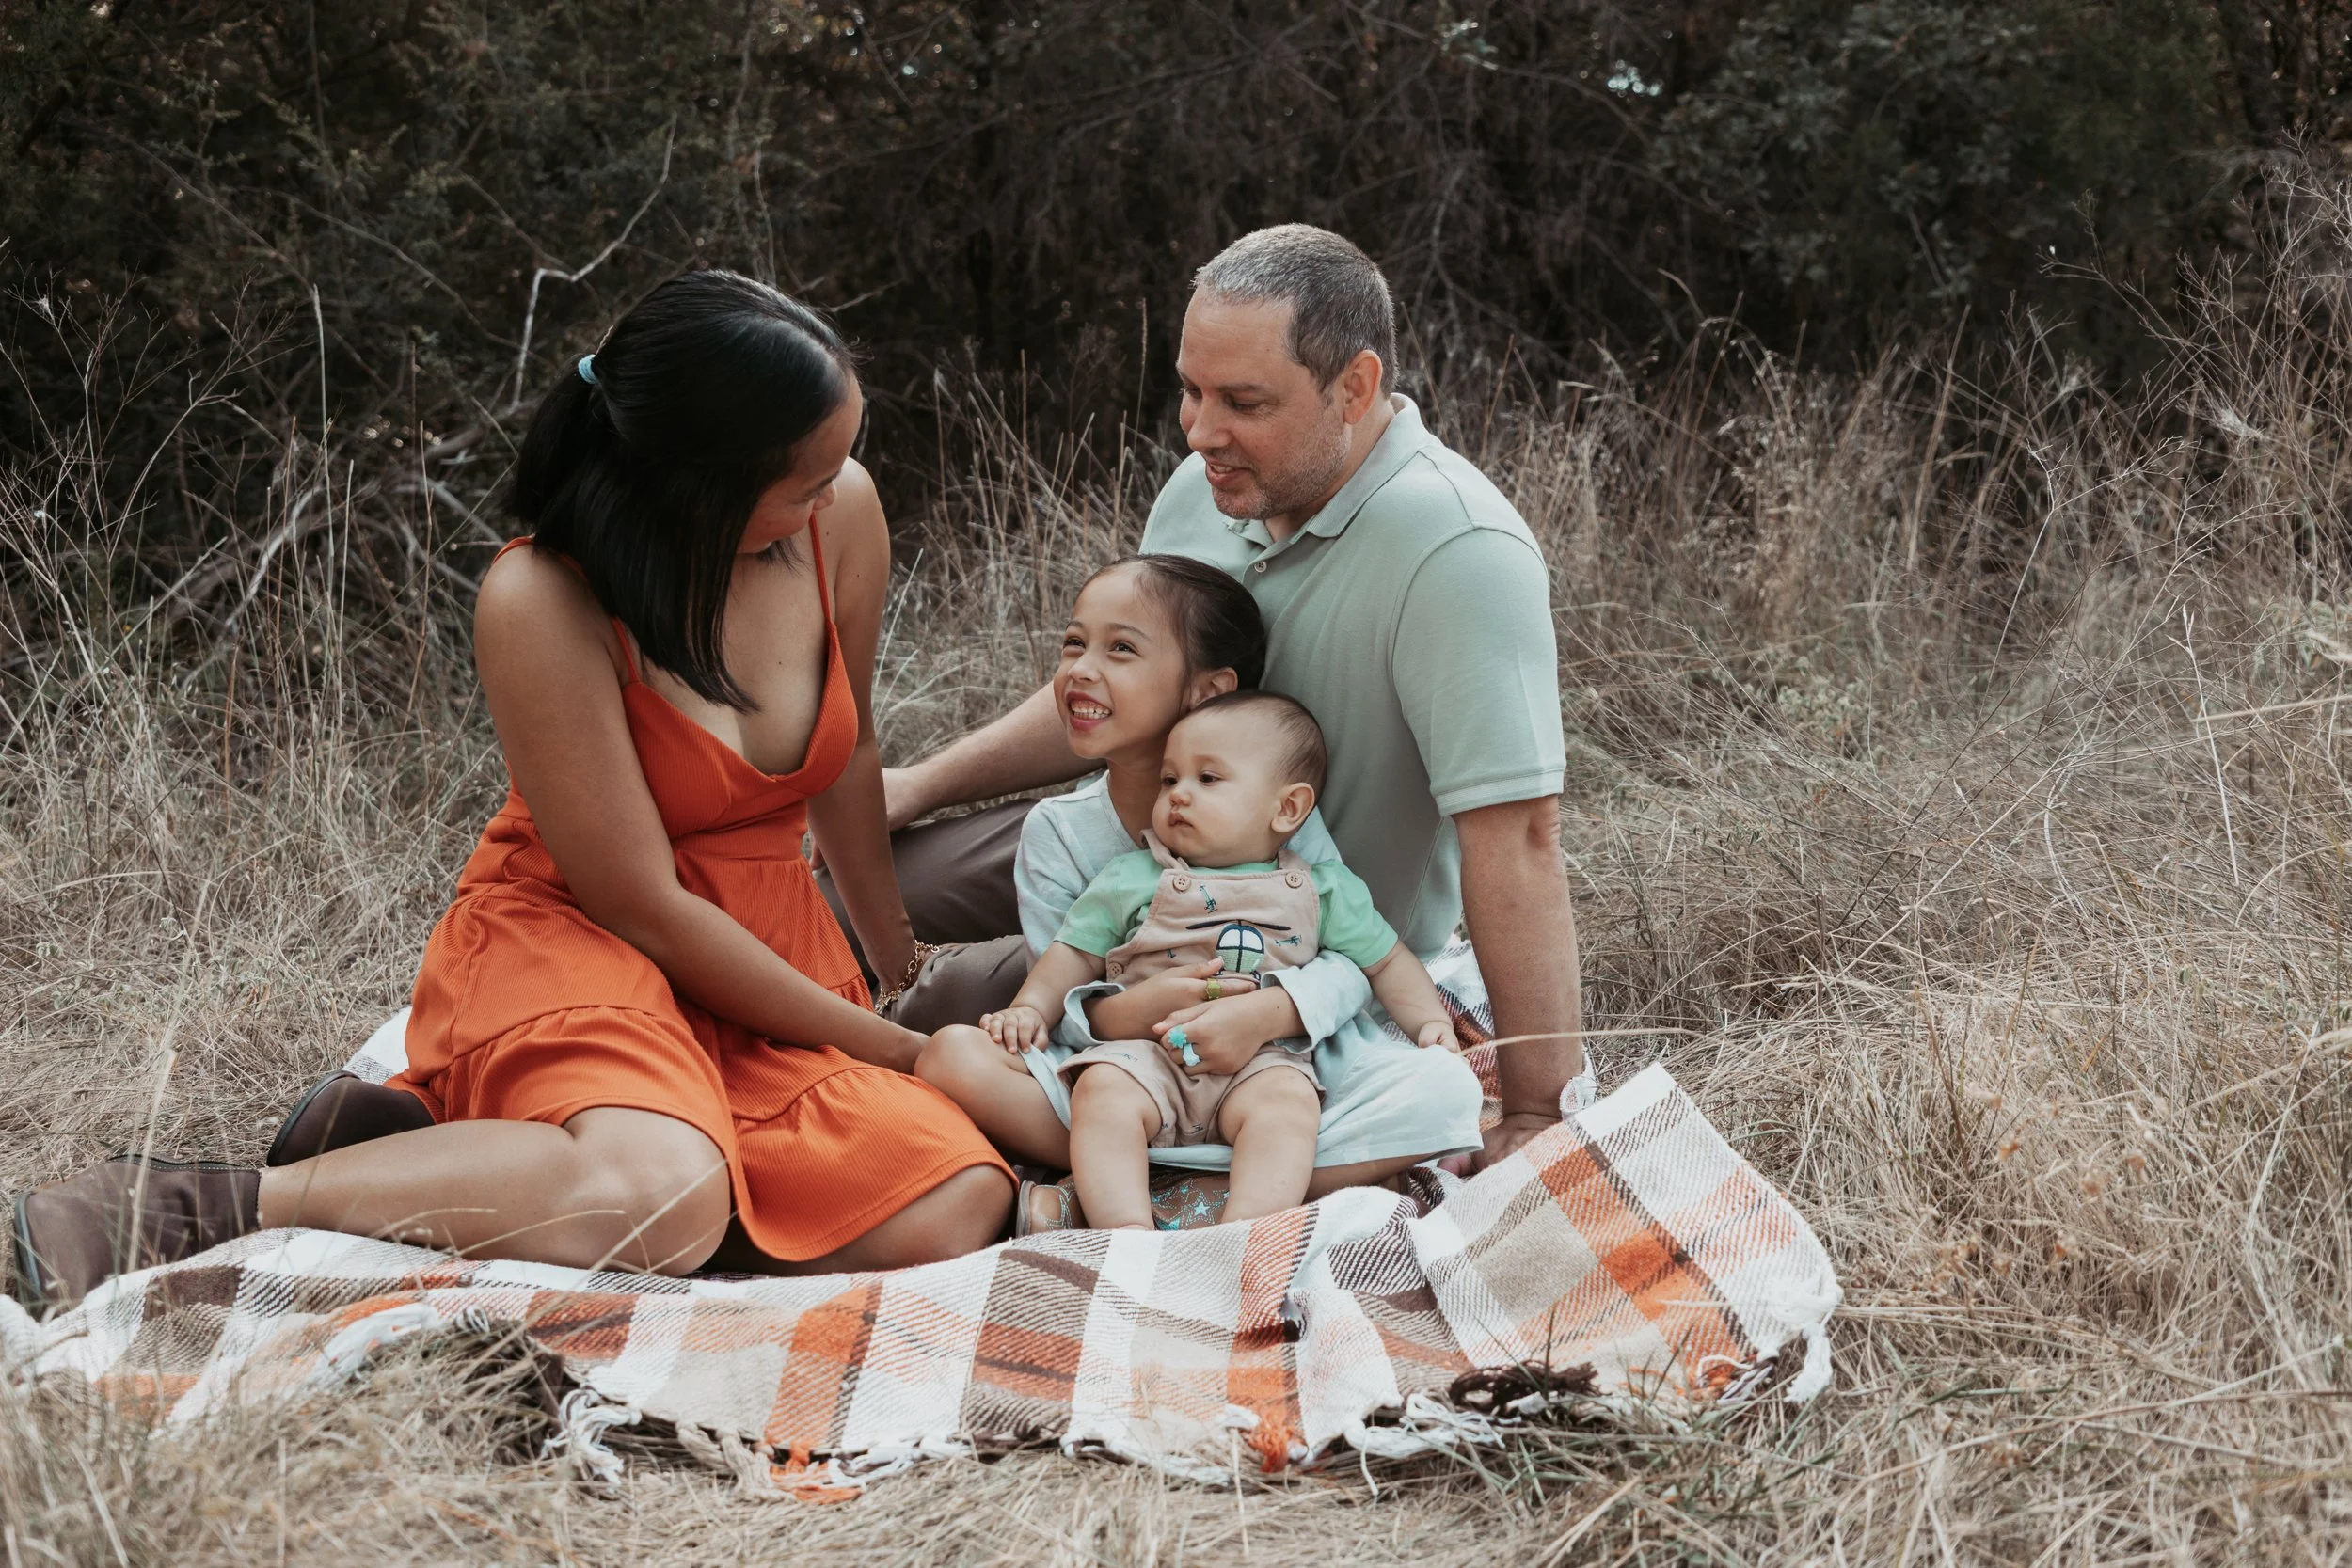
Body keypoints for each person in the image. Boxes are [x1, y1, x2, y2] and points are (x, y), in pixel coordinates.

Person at [14, 271, 1012, 1310]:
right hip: (586, 934)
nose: (836, 489)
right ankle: (199, 1201)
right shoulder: (539, 594)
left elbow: (847, 759)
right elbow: (642, 902)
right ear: (699, 482)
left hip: (766, 952)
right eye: (807, 477)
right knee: (661, 1199)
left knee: (948, 1200)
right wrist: (895, 1048)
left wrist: (892, 969)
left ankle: (471, 1159)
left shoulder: (837, 515)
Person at [882, 223, 1586, 1169]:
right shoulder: (1206, 486)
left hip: (1270, 927)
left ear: (1355, 388)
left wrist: (1536, 1107)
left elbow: (1519, 832)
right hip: (1125, 825)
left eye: (1242, 401)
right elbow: (1120, 686)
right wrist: (916, 785)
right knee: (855, 883)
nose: (1200, 430)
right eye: (1191, 389)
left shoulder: (1456, 551)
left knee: (953, 1010)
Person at [913, 556, 1483, 1228]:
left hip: (1272, 1064)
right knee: (949, 1056)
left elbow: (1355, 954)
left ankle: (1140, 1199)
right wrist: (1131, 1012)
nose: (1081, 668)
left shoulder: (1276, 817)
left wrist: (1273, 1013)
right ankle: (1160, 1201)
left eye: (1120, 648)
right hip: (1131, 1068)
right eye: (1074, 643)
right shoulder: (1060, 835)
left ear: (1208, 692)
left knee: (1445, 1091)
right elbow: (1064, 991)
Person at [977, 691, 1461, 1230]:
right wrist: (1030, 1008)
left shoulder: (1323, 890)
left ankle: (1242, 1234)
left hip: (1259, 1063)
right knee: (1100, 1092)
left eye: (1207, 780)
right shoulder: (1132, 877)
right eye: (1169, 780)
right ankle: (1125, 1234)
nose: (1179, 795)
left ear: (1287, 808)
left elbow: (1386, 961)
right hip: (1145, 1056)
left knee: (1290, 1106)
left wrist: (1430, 1022)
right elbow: (1072, 953)